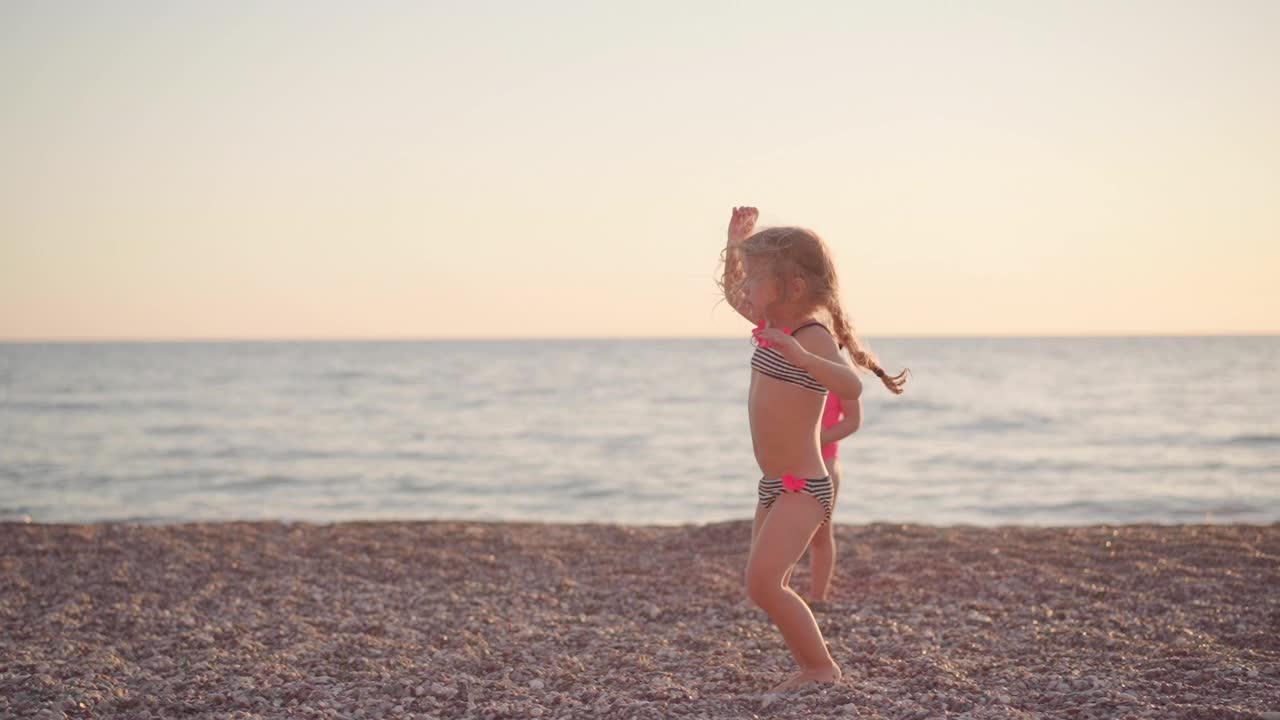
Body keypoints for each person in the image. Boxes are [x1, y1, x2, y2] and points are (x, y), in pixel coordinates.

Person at [718, 205, 908, 693]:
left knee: (765, 583)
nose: (749, 289)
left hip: (805, 487)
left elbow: (851, 385)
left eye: (758, 278)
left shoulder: (810, 336)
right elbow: (732, 293)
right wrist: (734, 243)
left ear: (793, 288)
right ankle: (812, 663)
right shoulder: (770, 326)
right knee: (758, 584)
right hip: (774, 486)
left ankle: (820, 668)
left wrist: (802, 356)